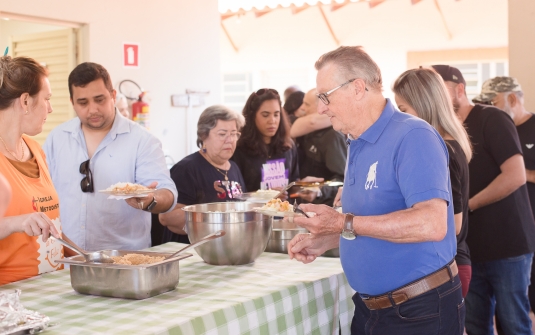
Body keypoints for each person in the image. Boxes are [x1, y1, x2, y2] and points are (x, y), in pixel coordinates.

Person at [289, 47, 462, 334]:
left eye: (325, 96)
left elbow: (431, 224)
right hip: (371, 310)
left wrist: (342, 222)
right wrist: (330, 239)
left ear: (357, 88)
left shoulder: (413, 136)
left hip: (419, 311)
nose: (320, 108)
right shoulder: (356, 141)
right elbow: (377, 220)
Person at [433, 65, 535, 335]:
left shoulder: (491, 118)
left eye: (438, 88)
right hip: (468, 247)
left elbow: (515, 176)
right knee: (476, 325)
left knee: (514, 324)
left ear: (459, 89)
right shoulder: (439, 130)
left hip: (508, 245)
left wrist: (467, 206)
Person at [43, 62, 177, 252]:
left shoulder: (142, 140)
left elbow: (169, 195)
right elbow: (41, 192)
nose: (93, 109)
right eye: (83, 102)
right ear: (72, 102)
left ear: (113, 96)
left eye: (100, 99)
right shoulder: (57, 138)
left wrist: (150, 200)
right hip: (65, 260)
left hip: (125, 261)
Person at [393, 67, 473, 298]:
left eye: (403, 109)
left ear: (424, 105)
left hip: (447, 266)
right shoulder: (448, 143)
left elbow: (454, 224)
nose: (400, 118)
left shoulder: (440, 150)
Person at [473, 76, 535, 316]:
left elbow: (514, 175)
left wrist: (515, 172)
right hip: (503, 231)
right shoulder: (491, 128)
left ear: (511, 98)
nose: (488, 108)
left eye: (492, 102)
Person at [0, 56, 63, 285]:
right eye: (46, 99)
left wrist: (90, 259)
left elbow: (51, 225)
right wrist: (14, 223)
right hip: (10, 295)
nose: (51, 108)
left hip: (52, 286)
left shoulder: (36, 149)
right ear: (25, 101)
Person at [159, 105, 246, 244]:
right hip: (192, 253)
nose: (230, 140)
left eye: (234, 134)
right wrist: (215, 220)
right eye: (222, 134)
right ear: (204, 136)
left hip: (227, 248)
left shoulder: (233, 167)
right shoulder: (186, 169)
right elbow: (166, 217)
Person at [231, 89, 299, 193]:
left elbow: (293, 181)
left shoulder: (288, 146)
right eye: (265, 115)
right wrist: (265, 195)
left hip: (283, 208)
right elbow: (236, 194)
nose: (272, 121)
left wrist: (304, 188)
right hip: (253, 209)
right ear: (252, 117)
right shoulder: (238, 149)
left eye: (276, 114)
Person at [295, 89, 346, 206]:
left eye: (307, 104)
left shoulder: (332, 137)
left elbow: (343, 179)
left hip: (324, 206)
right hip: (302, 205)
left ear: (321, 106)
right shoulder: (305, 132)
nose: (302, 108)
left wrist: (319, 190)